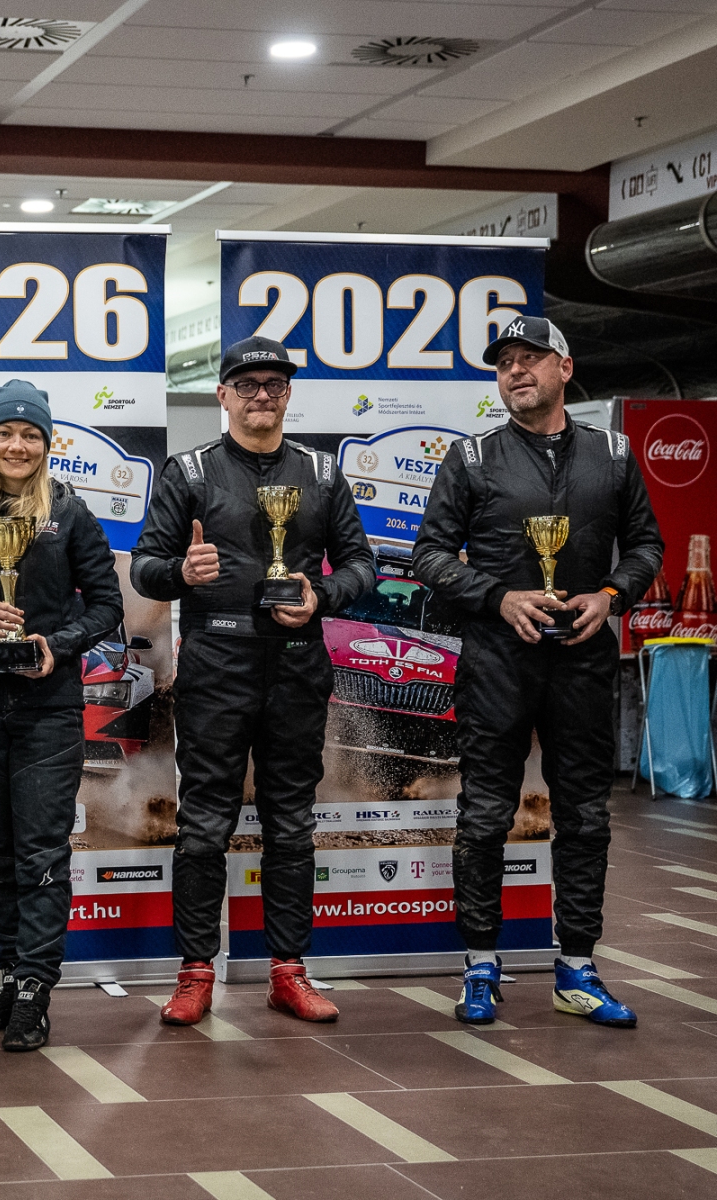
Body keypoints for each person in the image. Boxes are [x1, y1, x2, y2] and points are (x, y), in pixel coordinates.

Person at [412, 316, 663, 1027]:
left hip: (583, 660)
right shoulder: (470, 457)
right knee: (485, 815)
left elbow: (646, 546)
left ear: (565, 368)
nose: (516, 371)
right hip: (497, 662)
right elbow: (429, 554)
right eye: (505, 363)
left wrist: (610, 595)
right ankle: (479, 965)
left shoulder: (614, 454)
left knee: (584, 817)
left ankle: (577, 969)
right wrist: (499, 597)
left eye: (531, 358)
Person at [131, 335, 374, 1026]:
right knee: (204, 824)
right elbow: (145, 565)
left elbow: (361, 565)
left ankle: (288, 973)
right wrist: (182, 572)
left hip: (297, 665)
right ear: (223, 395)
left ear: (288, 394)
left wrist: (322, 596)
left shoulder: (322, 474)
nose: (261, 395)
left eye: (274, 384)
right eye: (247, 384)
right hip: (217, 664)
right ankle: (195, 973)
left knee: (291, 822)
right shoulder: (189, 471)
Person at [0, 382, 123, 1051]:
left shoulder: (69, 511)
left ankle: (37, 988)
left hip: (48, 709)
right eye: (5, 433)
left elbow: (107, 606)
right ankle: (11, 975)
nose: (17, 445)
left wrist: (57, 644)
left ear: (46, 442)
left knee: (40, 852)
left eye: (30, 435)